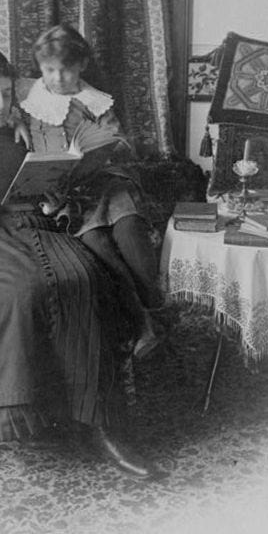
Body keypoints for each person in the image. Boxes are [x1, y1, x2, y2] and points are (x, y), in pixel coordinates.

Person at [0, 48, 158, 479]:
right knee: (14, 294)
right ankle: (21, 412)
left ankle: (101, 424)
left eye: (5, 94)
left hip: (39, 220)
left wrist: (55, 191)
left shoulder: (27, 127)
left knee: (84, 278)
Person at [19, 23, 163, 357]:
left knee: (128, 225)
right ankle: (142, 321)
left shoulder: (95, 100)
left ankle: (154, 302)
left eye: (66, 70)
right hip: (65, 194)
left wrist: (108, 146)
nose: (57, 78)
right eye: (49, 70)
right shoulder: (28, 94)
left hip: (103, 179)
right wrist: (14, 120)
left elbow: (119, 140)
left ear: (82, 65)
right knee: (98, 243)